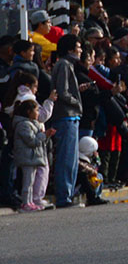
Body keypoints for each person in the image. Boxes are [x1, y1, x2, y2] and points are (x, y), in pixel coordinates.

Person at [48, 34, 84, 207]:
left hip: (71, 116)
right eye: (78, 47)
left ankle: (68, 194)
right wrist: (77, 102)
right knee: (66, 158)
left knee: (72, 158)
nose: (81, 50)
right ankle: (64, 196)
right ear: (70, 49)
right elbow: (63, 92)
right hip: (66, 116)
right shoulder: (63, 64)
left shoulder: (68, 65)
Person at [13, 98, 51, 212]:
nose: (38, 113)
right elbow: (32, 141)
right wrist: (43, 135)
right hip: (27, 158)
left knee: (31, 181)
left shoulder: (34, 124)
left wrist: (46, 136)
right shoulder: (23, 125)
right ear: (29, 112)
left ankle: (30, 202)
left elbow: (40, 142)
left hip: (33, 158)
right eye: (37, 110)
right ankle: (25, 203)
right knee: (27, 182)